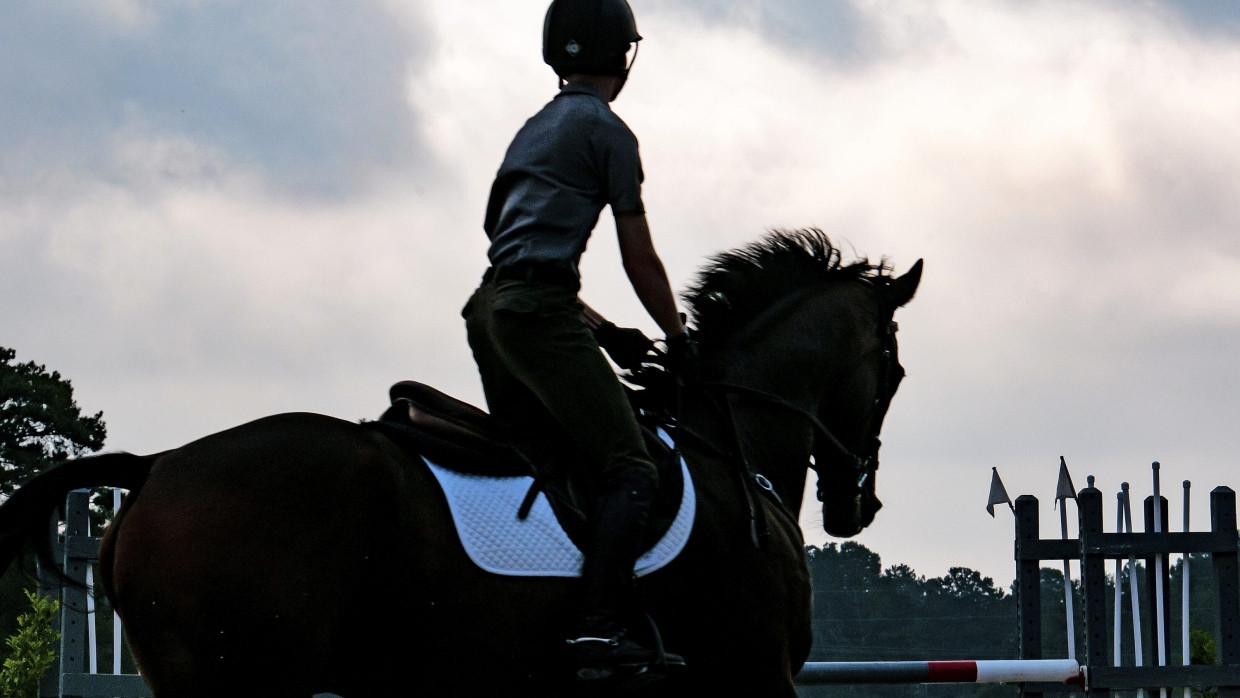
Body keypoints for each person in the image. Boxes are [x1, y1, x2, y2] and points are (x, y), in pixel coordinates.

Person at [461, 0, 687, 684]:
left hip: (490, 310)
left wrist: (606, 330)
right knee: (631, 467)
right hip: (538, 314)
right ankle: (596, 629)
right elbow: (638, 258)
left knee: (552, 460)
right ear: (625, 55)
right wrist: (678, 338)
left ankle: (533, 603)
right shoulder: (610, 133)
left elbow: (512, 251)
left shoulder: (533, 130)